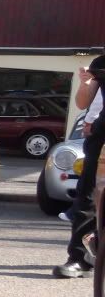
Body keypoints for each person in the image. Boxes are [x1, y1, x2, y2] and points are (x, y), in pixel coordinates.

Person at [53, 55, 105, 278]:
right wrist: (85, 82)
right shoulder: (101, 64)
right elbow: (83, 103)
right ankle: (79, 258)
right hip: (101, 135)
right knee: (88, 196)